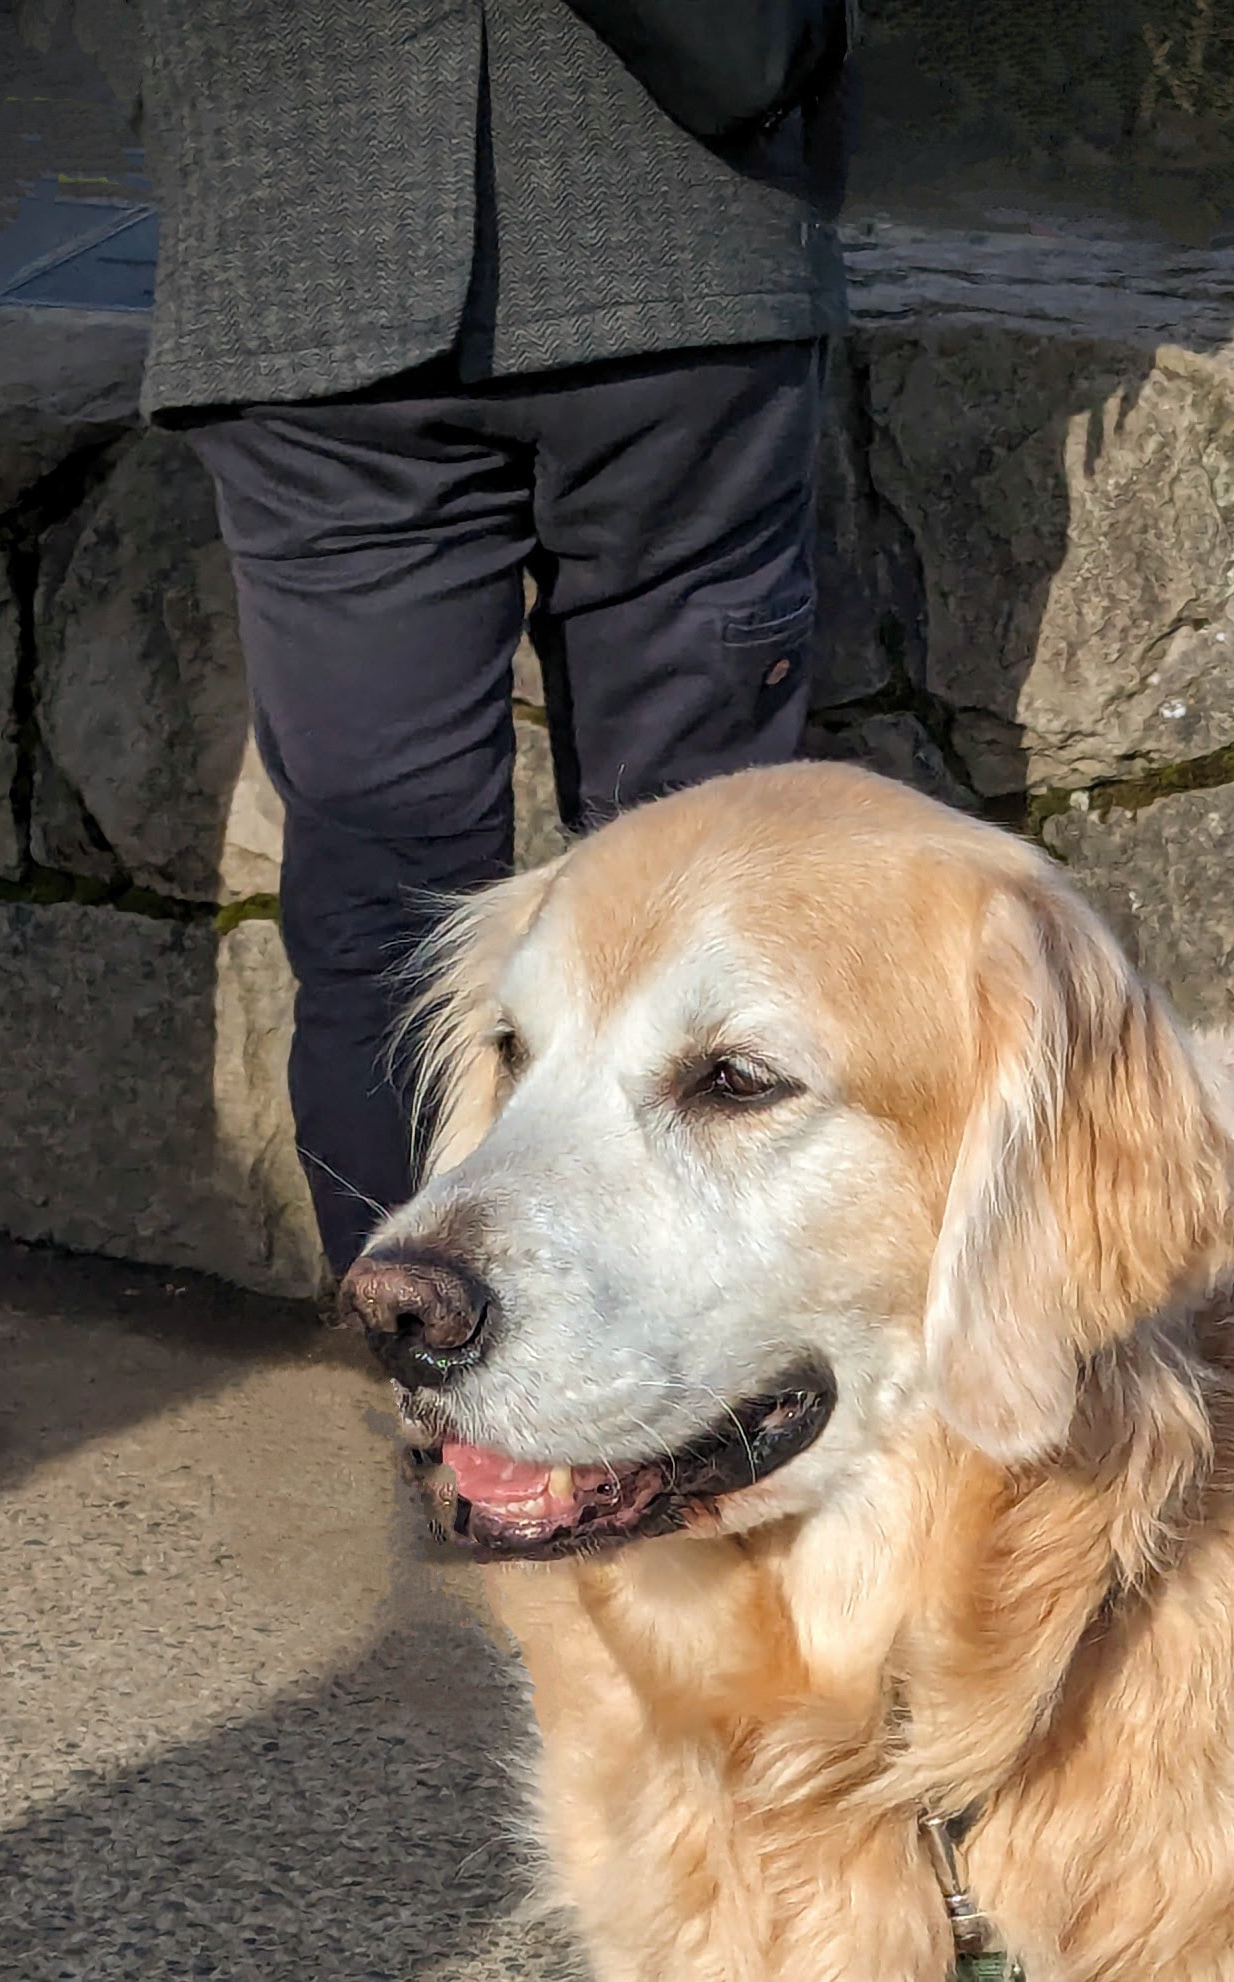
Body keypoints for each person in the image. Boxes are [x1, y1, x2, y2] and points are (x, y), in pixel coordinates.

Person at [130, 2, 854, 1274]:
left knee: (386, 913)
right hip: (670, 239)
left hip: (309, 244)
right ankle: (667, 1418)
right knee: (697, 907)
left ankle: (447, 1412)